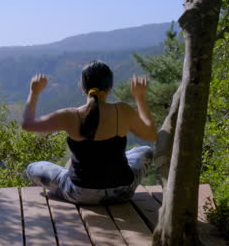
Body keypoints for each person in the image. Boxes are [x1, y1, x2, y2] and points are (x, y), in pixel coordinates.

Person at [21, 61, 157, 205]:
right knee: (146, 151)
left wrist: (34, 92)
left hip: (82, 194)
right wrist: (140, 98)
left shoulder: (70, 115)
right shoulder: (123, 110)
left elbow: (27, 124)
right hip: (122, 191)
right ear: (109, 88)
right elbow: (152, 135)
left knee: (32, 168)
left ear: (82, 88)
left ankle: (68, 173)